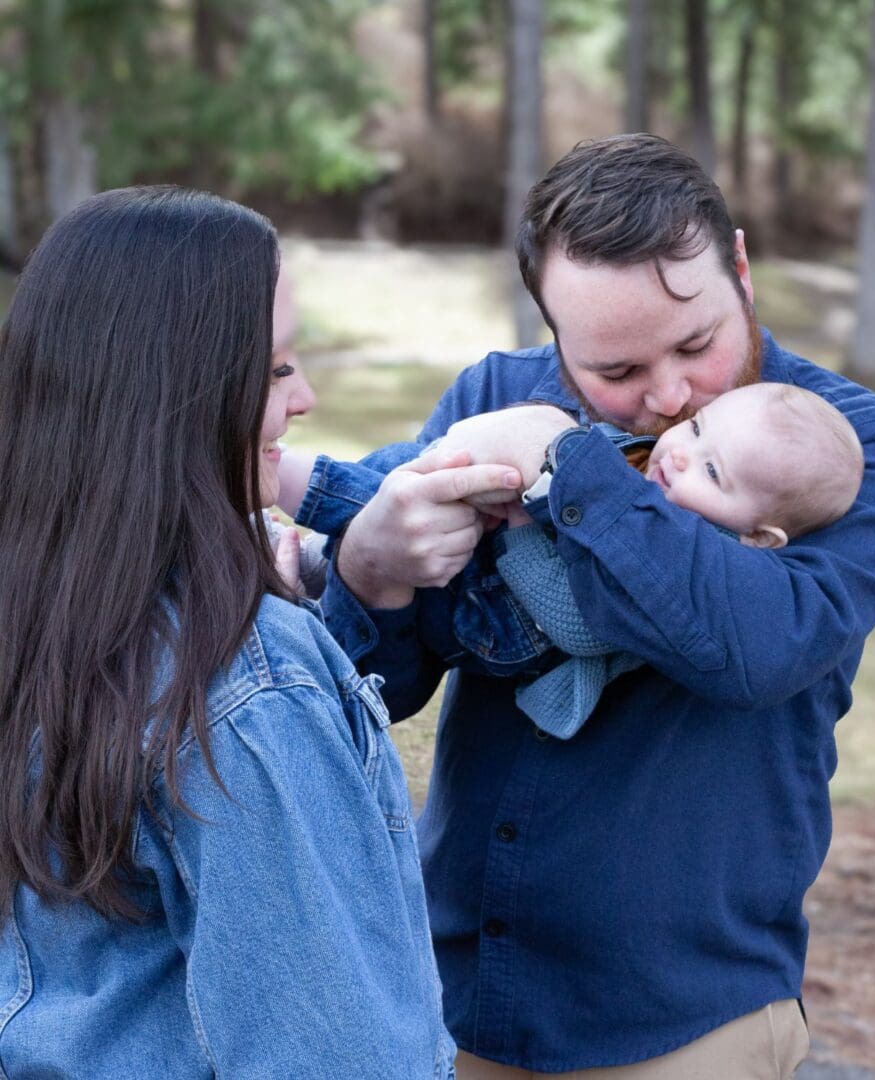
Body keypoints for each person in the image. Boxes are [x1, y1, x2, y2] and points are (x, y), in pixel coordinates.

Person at [279, 135, 875, 1078]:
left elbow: (757, 646)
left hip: (684, 1017)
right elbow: (386, 685)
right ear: (552, 328)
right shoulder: (497, 395)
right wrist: (372, 573)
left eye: (697, 345)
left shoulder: (853, 450)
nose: (667, 398)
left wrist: (567, 459)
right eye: (615, 372)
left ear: (740, 270)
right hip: (452, 988)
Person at [0, 186, 518, 1078]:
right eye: (277, 370)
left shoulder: (39, 607)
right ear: (180, 394)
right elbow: (337, 1059)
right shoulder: (244, 686)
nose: (307, 397)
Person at [294, 381, 865, 741]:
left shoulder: (689, 569)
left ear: (760, 538)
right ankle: (301, 531)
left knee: (408, 515)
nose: (682, 456)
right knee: (419, 471)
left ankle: (293, 486)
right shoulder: (648, 465)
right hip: (459, 553)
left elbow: (573, 623)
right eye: (695, 428)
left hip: (491, 618)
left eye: (714, 472)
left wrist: (519, 529)